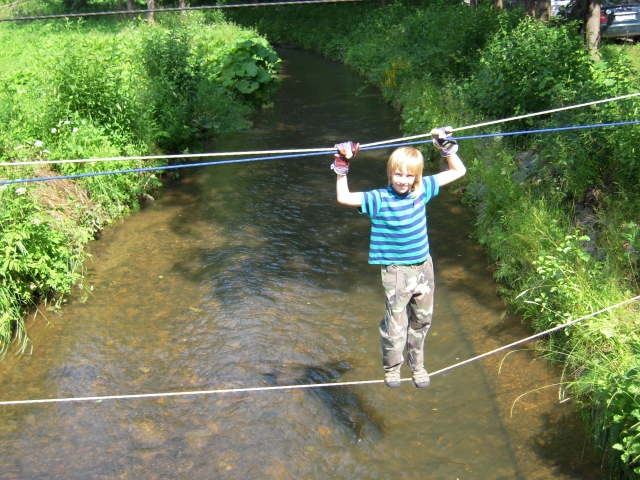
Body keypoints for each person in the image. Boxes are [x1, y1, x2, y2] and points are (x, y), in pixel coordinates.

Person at [331, 128, 466, 388]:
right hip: (397, 272)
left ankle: (417, 366)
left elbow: (458, 171)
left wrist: (445, 146)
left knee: (422, 320)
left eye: (409, 175)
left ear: (417, 176)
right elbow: (344, 197)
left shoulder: (423, 189)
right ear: (390, 173)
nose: (403, 180)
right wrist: (342, 166)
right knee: (395, 324)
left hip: (424, 268)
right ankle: (392, 368)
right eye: (398, 174)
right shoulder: (379, 199)